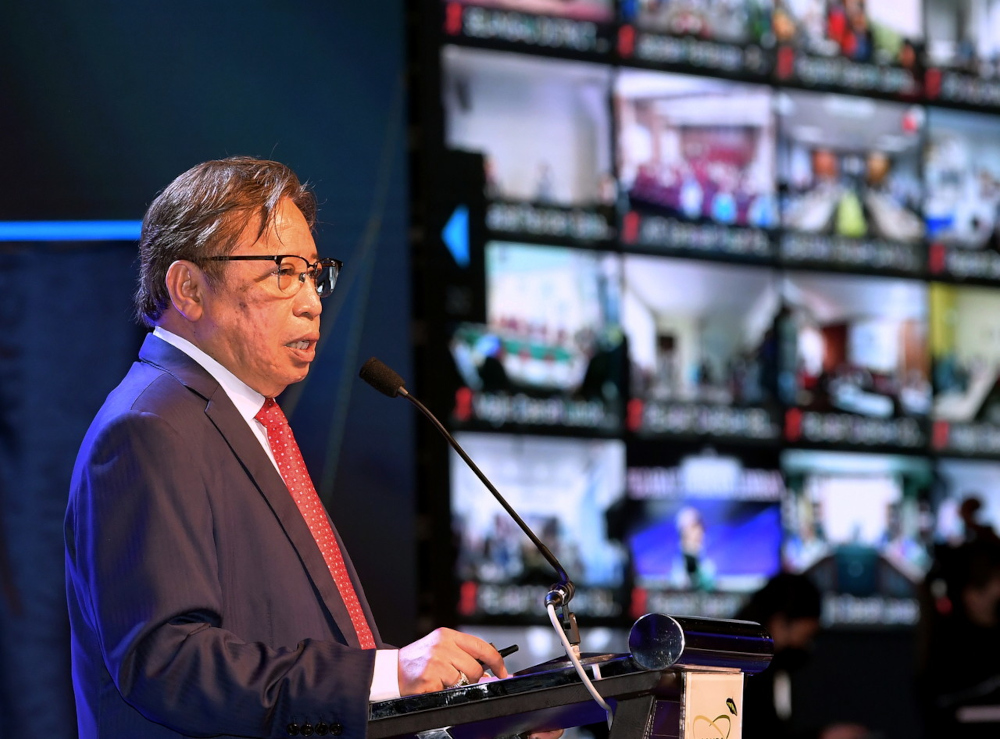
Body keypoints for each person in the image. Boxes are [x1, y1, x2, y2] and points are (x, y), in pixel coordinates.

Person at [64, 157, 510, 739]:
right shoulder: (149, 427)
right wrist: (390, 672)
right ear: (189, 289)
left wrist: (467, 721)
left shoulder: (250, 419)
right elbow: (168, 663)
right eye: (282, 272)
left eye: (313, 273)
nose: (312, 301)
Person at [737, 574, 868, 739]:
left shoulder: (769, 667)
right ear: (780, 623)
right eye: (806, 635)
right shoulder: (745, 674)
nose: (807, 645)